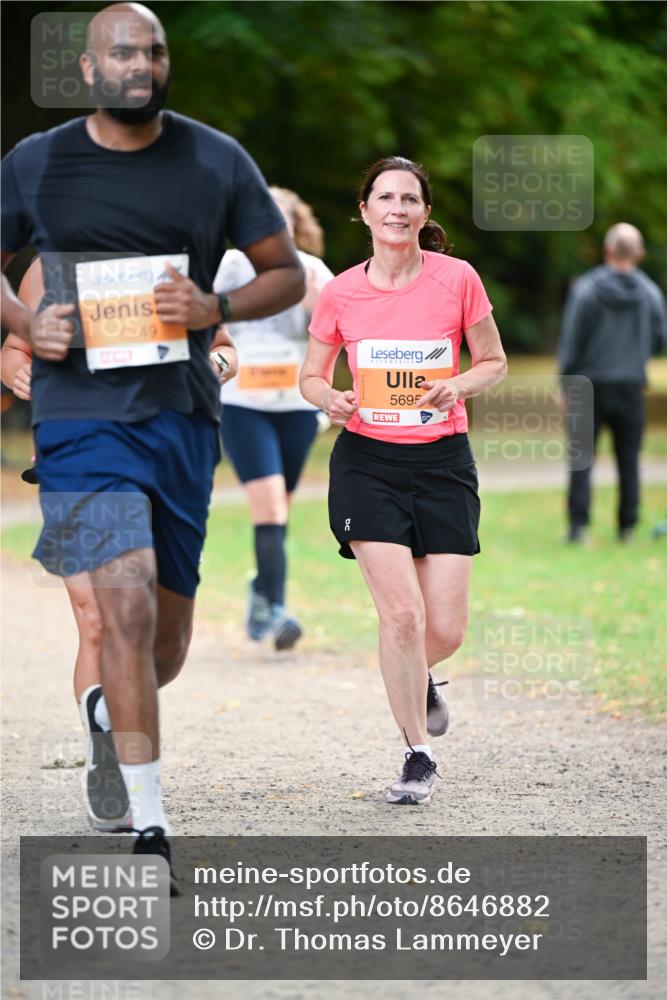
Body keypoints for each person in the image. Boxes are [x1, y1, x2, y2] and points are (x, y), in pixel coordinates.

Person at [1, 1, 304, 885]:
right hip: (78, 417)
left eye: (155, 51)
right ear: (89, 69)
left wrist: (216, 306)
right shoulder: (36, 161)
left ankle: (107, 715)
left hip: (180, 419)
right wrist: (25, 323)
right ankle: (152, 826)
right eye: (123, 52)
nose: (140, 65)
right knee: (122, 607)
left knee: (163, 645)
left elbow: (284, 272)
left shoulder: (215, 160)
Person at [300, 156, 507, 806]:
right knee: (402, 616)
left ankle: (419, 675)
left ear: (423, 212)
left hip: (443, 465)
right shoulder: (340, 292)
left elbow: (494, 361)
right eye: (385, 198)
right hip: (367, 464)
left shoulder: (457, 279)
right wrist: (329, 399)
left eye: (409, 198)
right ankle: (418, 754)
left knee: (443, 630)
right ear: (364, 211)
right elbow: (311, 376)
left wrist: (457, 384)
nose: (397, 208)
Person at [213, 187, 334, 650]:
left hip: (297, 406)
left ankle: (260, 591)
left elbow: (338, 327)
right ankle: (278, 610)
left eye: (280, 216)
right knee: (269, 507)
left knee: (280, 510)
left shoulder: (311, 268)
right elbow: (202, 318)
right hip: (243, 404)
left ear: (294, 224)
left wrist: (308, 295)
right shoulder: (230, 265)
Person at [559, 223, 667, 543]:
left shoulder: (586, 290)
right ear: (639, 253)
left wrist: (564, 385)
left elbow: (572, 343)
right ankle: (627, 528)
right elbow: (659, 341)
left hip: (588, 386)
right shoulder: (650, 294)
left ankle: (578, 527)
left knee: (582, 460)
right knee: (629, 460)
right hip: (631, 386)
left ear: (607, 250)